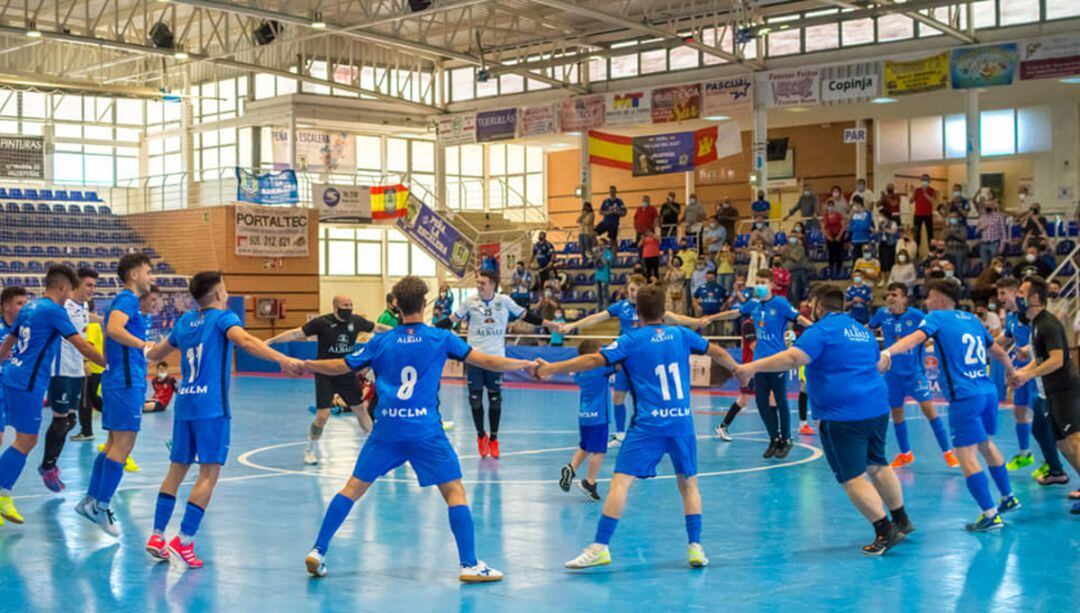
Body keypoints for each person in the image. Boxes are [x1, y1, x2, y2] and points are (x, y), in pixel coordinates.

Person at [303, 276, 536, 581]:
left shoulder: (381, 341)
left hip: (387, 430)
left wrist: (306, 363)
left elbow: (341, 365)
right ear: (425, 305)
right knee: (454, 491)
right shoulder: (440, 338)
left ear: (396, 305)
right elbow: (486, 361)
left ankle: (318, 550)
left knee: (352, 488)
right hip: (425, 430)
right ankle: (469, 564)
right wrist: (524, 364)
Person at [537, 284, 739, 570]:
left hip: (649, 426)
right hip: (682, 422)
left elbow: (594, 359)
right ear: (664, 310)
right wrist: (738, 370)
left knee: (621, 482)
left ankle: (600, 547)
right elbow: (715, 350)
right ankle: (695, 546)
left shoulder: (631, 340)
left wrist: (551, 368)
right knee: (689, 483)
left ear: (638, 312)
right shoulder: (681, 334)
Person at [736, 285, 912, 555]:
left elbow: (794, 358)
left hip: (844, 414)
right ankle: (901, 519)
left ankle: (884, 531)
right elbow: (877, 362)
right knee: (878, 463)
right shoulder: (862, 331)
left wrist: (752, 366)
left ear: (818, 305)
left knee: (851, 478)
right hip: (876, 407)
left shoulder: (820, 331)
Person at [143, 271, 303, 567]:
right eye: (225, 289)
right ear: (218, 294)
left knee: (175, 471)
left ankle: (156, 534)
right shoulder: (223, 318)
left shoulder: (184, 322)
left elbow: (154, 354)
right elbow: (245, 340)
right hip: (211, 409)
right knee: (208, 475)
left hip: (185, 405)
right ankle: (185, 539)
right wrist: (281, 359)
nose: (227, 294)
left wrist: (136, 347)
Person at [880, 280, 1020, 531]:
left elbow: (914, 339)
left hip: (965, 396)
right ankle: (1008, 497)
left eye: (930, 297)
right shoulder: (972, 319)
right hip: (987, 391)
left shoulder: (936, 317)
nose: (926, 302)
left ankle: (989, 514)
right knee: (986, 445)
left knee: (965, 454)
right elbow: (997, 350)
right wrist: (1011, 372)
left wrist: (888, 353)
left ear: (942, 300)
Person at [0, 267, 106, 526]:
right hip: (28, 384)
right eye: (70, 289)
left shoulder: (29, 308)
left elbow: (8, 344)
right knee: (26, 441)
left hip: (9, 377)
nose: (70, 294)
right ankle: (3, 494)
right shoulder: (54, 311)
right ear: (62, 288)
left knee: (16, 437)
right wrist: (108, 363)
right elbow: (80, 344)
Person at [558, 275, 711, 444]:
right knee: (617, 397)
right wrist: (573, 325)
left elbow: (674, 318)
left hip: (645, 359)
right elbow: (596, 317)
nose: (633, 293)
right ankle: (621, 434)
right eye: (631, 290)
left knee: (651, 396)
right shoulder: (621, 307)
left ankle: (658, 431)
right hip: (625, 359)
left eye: (636, 290)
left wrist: (697, 321)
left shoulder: (649, 308)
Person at [75, 254, 155, 536]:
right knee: (123, 445)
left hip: (119, 379)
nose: (151, 278)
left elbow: (111, 340)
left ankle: (91, 500)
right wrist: (143, 345)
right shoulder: (128, 300)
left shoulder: (121, 301)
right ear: (134, 275)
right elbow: (113, 330)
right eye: (148, 272)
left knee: (112, 444)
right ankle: (101, 505)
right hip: (126, 381)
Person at [441, 269, 554, 458]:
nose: (479, 286)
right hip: (474, 358)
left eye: (482, 283)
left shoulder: (504, 301)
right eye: (477, 282)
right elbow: (451, 321)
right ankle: (480, 436)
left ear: (493, 284)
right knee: (475, 400)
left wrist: (550, 324)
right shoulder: (470, 302)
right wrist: (426, 329)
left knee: (495, 399)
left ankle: (493, 438)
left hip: (496, 359)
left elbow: (526, 316)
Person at [268, 295, 389, 465]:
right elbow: (296, 333)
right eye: (345, 305)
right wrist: (271, 341)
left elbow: (378, 327)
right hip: (325, 373)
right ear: (335, 307)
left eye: (351, 304)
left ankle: (376, 449)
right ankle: (310, 448)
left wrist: (399, 332)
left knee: (361, 410)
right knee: (322, 416)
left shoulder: (356, 321)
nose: (349, 307)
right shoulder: (321, 323)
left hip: (347, 372)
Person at [710, 269, 813, 457]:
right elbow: (734, 313)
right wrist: (712, 318)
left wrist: (816, 329)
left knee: (780, 400)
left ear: (771, 284)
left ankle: (786, 439)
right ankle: (774, 438)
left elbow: (798, 318)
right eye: (757, 281)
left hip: (778, 361)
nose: (759, 285)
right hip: (759, 361)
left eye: (763, 281)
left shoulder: (780, 303)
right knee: (761, 401)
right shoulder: (754, 304)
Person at [1009, 277, 1080, 514]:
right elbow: (1039, 359)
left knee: (1074, 441)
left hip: (1065, 392)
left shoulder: (1047, 324)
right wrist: (1022, 373)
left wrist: (1027, 376)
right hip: (1050, 393)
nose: (1018, 296)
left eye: (1021, 292)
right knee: (1062, 443)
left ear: (1035, 298)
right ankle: (1068, 478)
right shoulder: (1036, 325)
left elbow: (1057, 360)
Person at [868, 284, 958, 468]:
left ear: (904, 298)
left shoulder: (917, 316)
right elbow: (866, 330)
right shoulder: (882, 314)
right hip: (892, 375)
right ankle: (905, 453)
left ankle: (948, 452)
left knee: (930, 412)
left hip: (914, 374)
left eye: (894, 294)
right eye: (887, 295)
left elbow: (934, 334)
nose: (890, 298)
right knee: (897, 415)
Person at [38, 267, 99, 492]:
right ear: (74, 287)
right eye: (88, 285)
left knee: (70, 420)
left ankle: (51, 466)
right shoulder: (61, 306)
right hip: (60, 367)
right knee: (60, 419)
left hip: (76, 369)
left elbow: (86, 320)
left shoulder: (82, 306)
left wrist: (104, 319)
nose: (92, 290)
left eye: (94, 285)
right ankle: (48, 466)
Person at [995, 277, 1059, 476]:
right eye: (998, 294)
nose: (1000, 298)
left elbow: (1042, 339)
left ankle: (1050, 461)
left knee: (1043, 419)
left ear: (1016, 293)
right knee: (1019, 411)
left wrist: (1026, 348)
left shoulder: (1031, 315)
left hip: (1036, 370)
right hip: (1021, 370)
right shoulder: (1013, 317)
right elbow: (1006, 338)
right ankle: (1025, 454)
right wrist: (985, 342)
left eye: (1003, 293)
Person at [559, 340, 614, 501]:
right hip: (599, 416)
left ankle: (571, 468)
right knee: (599, 451)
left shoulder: (579, 373)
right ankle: (590, 482)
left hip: (584, 416)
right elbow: (617, 364)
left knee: (585, 446)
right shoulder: (599, 369)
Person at [714, 314, 757, 441]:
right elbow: (754, 347)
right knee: (743, 400)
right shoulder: (749, 325)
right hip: (751, 368)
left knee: (772, 397)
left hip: (760, 367)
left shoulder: (763, 324)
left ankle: (779, 434)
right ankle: (723, 426)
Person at [0, 286, 29, 450]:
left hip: (16, 386)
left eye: (25, 303)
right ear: (6, 306)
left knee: (26, 436)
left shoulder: (27, 330)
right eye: (19, 303)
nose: (24, 308)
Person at [72, 310, 104, 441]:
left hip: (90, 367)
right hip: (96, 367)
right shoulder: (95, 325)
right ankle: (116, 416)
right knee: (92, 397)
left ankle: (87, 431)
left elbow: (88, 344)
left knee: (85, 400)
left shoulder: (90, 325)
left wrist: (85, 362)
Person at [975, 199, 1007, 270]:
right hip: (984, 244)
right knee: (985, 265)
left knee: (994, 265)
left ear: (993, 206)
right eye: (986, 205)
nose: (987, 206)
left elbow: (1003, 232)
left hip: (994, 243)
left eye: (989, 205)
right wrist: (981, 228)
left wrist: (1002, 246)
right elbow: (976, 231)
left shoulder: (999, 217)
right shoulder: (982, 217)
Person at [693, 270, 727, 335]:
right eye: (708, 278)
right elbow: (694, 297)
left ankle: (721, 345)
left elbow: (727, 299)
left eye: (711, 278)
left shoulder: (721, 288)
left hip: (718, 314)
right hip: (705, 314)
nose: (710, 279)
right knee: (705, 334)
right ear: (706, 277)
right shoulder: (701, 288)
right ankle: (705, 345)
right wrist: (697, 306)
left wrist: (724, 306)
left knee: (720, 333)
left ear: (715, 277)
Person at [910, 174, 936, 251]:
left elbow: (932, 201)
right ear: (920, 180)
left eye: (926, 180)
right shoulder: (917, 190)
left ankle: (932, 251)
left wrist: (924, 192)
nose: (925, 181)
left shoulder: (932, 190)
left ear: (929, 181)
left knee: (930, 234)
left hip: (928, 214)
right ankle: (915, 251)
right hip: (918, 214)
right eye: (923, 179)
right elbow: (911, 201)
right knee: (916, 234)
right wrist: (913, 192)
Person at [783, 234, 811, 303]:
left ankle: (796, 305)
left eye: (793, 237)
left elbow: (796, 258)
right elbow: (783, 258)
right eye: (790, 237)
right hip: (787, 271)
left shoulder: (800, 248)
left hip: (797, 271)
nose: (791, 239)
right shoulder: (786, 248)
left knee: (794, 291)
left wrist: (788, 253)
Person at [822, 199, 846, 277]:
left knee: (839, 254)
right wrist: (828, 236)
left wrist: (839, 235)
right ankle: (832, 271)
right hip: (830, 237)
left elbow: (843, 226)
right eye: (829, 206)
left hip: (838, 236)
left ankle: (839, 271)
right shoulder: (825, 216)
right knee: (831, 254)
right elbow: (823, 228)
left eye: (832, 206)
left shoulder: (838, 215)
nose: (830, 208)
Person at [943, 210, 969, 278]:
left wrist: (954, 234)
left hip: (959, 252)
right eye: (951, 217)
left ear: (958, 218)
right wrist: (949, 233)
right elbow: (942, 237)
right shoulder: (946, 227)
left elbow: (963, 237)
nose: (952, 219)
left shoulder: (962, 227)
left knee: (959, 271)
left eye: (954, 217)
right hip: (948, 252)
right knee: (949, 271)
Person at [595, 238, 613, 309]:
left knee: (605, 294)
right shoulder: (597, 252)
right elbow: (594, 263)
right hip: (597, 276)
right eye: (599, 244)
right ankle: (600, 308)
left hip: (605, 276)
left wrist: (600, 255)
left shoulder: (608, 253)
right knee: (598, 294)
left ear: (605, 245)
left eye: (601, 244)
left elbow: (606, 262)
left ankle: (606, 309)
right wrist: (596, 256)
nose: (599, 246)